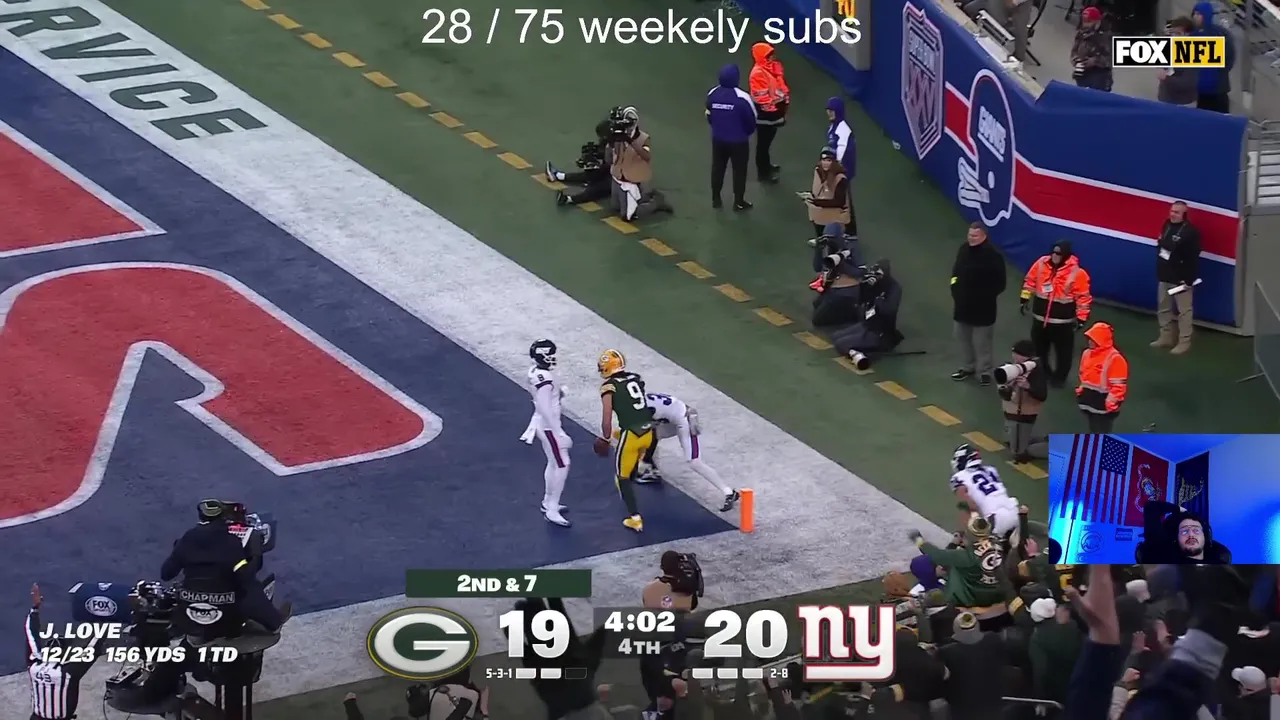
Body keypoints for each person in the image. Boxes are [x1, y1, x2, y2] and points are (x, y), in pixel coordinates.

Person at [161, 499, 287, 636]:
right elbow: (245, 576)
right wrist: (255, 557)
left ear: (201, 516)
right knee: (251, 587)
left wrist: (180, 555)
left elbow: (166, 574)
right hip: (226, 609)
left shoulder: (186, 539)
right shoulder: (232, 542)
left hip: (190, 605)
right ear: (222, 517)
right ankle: (274, 623)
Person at [642, 390, 740, 511]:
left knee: (694, 462)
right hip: (675, 417)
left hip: (685, 420)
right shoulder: (643, 399)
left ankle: (729, 492)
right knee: (650, 437)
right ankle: (652, 470)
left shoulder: (642, 408)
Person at [1021, 239, 1092, 387]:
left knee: (1063, 353)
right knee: (1039, 350)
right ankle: (1043, 372)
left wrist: (1081, 319)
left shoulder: (1078, 274)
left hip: (1062, 323)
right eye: (1053, 252)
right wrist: (1024, 299)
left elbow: (1083, 298)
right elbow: (1030, 282)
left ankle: (1059, 378)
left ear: (1066, 255)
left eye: (1058, 253)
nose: (1054, 256)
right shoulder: (1041, 264)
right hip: (1040, 319)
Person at [26, 584, 103, 720]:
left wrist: (35, 608)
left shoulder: (34, 665)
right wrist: (106, 622)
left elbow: (31, 634)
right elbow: (92, 649)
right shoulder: (68, 672)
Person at [596, 349, 653, 532]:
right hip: (648, 432)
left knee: (621, 477)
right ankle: (637, 472)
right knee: (629, 464)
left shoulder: (608, 387)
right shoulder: (636, 378)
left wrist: (605, 438)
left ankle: (635, 519)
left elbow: (606, 419)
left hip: (632, 436)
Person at [520, 339, 571, 527]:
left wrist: (559, 393)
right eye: (551, 354)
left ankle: (548, 501)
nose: (554, 357)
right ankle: (552, 508)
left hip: (542, 423)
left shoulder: (536, 372)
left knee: (554, 462)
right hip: (548, 426)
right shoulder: (545, 379)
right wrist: (559, 432)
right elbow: (544, 406)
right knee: (563, 464)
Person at [950, 223, 1008, 385]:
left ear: (984, 236)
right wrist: (955, 289)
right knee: (963, 338)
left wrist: (984, 296)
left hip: (983, 309)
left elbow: (1000, 283)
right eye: (969, 235)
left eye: (975, 236)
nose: (971, 238)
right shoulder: (963, 250)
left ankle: (985, 371)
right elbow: (955, 273)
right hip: (962, 306)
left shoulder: (993, 256)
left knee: (983, 343)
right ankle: (967, 367)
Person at [1153, 201, 1202, 354]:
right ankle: (1166, 337)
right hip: (1165, 276)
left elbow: (1193, 258)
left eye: (1177, 212)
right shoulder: (1167, 225)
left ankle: (1184, 342)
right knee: (1163, 308)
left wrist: (1188, 280)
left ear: (1184, 215)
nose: (1172, 214)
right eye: (1172, 211)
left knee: (1184, 312)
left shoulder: (1191, 232)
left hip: (1181, 280)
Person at [606, 106, 670, 222]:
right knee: (615, 207)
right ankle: (646, 195)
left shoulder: (643, 138)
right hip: (617, 176)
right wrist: (611, 141)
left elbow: (646, 156)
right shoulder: (617, 136)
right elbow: (609, 158)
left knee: (627, 216)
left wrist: (630, 141)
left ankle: (656, 204)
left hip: (631, 179)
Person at [706, 64, 756, 211]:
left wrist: (717, 128)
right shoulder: (742, 97)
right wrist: (745, 133)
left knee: (717, 168)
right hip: (739, 142)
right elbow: (752, 119)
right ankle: (739, 202)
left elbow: (709, 114)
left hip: (718, 139)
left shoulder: (713, 93)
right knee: (739, 171)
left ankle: (716, 199)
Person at [949, 444, 1021, 540]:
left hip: (995, 519)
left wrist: (962, 532)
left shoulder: (959, 477)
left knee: (972, 541)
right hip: (1015, 511)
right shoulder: (991, 470)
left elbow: (967, 504)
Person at [998, 339, 1049, 462]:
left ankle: (1056, 447)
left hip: (1025, 415)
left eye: (1016, 354)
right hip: (1012, 413)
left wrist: (1028, 386)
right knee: (1011, 442)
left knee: (1020, 453)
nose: (1014, 357)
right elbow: (1005, 394)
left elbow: (1042, 395)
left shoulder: (1035, 371)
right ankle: (1041, 440)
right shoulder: (1014, 368)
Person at [1075, 322, 1128, 433]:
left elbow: (1118, 386)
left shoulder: (1115, 358)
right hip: (1089, 400)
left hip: (1103, 404)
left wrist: (1110, 403)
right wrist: (1081, 390)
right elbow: (1083, 374)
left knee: (1101, 430)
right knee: (1093, 427)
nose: (1090, 342)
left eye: (1093, 339)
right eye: (1089, 339)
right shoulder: (1087, 353)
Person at [748, 42, 789, 183]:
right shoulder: (758, 74)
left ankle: (767, 166)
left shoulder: (771, 68)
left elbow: (779, 87)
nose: (773, 57)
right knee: (763, 145)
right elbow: (761, 98)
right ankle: (763, 174)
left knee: (767, 144)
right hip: (766, 116)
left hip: (774, 112)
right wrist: (775, 111)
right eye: (769, 55)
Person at [545, 121, 612, 207]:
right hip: (611, 171)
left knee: (598, 187)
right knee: (592, 174)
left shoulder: (619, 146)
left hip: (619, 178)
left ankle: (569, 199)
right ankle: (558, 176)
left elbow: (617, 164)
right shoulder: (609, 143)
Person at [1191, 2, 1234, 113]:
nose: (1195, 17)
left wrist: (1220, 71)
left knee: (1221, 116)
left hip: (1218, 88)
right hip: (1201, 89)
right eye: (1194, 14)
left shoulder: (1220, 33)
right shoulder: (1193, 34)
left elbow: (1230, 56)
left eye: (1198, 14)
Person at [824, 97, 857, 237]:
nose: (829, 114)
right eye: (828, 111)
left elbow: (841, 151)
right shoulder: (833, 127)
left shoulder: (842, 129)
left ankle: (847, 232)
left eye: (832, 111)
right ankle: (847, 231)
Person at [804, 147, 851, 239]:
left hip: (836, 212)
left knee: (832, 237)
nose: (825, 163)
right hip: (821, 209)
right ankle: (820, 238)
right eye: (823, 160)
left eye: (828, 160)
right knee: (814, 212)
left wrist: (817, 202)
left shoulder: (840, 178)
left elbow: (839, 202)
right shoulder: (818, 171)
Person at [1157, 18, 1199, 106]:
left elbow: (1187, 83)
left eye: (1178, 33)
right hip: (1165, 98)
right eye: (1173, 33)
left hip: (1183, 103)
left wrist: (1165, 78)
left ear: (1188, 35)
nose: (1174, 36)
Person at [1071, 7, 1113, 91]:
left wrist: (1095, 61)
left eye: (1089, 22)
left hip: (1099, 76)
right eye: (1084, 21)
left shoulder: (1106, 38)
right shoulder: (1080, 34)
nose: (1086, 25)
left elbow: (1110, 59)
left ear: (1097, 22)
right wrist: (1077, 61)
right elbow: (1074, 51)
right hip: (1083, 73)